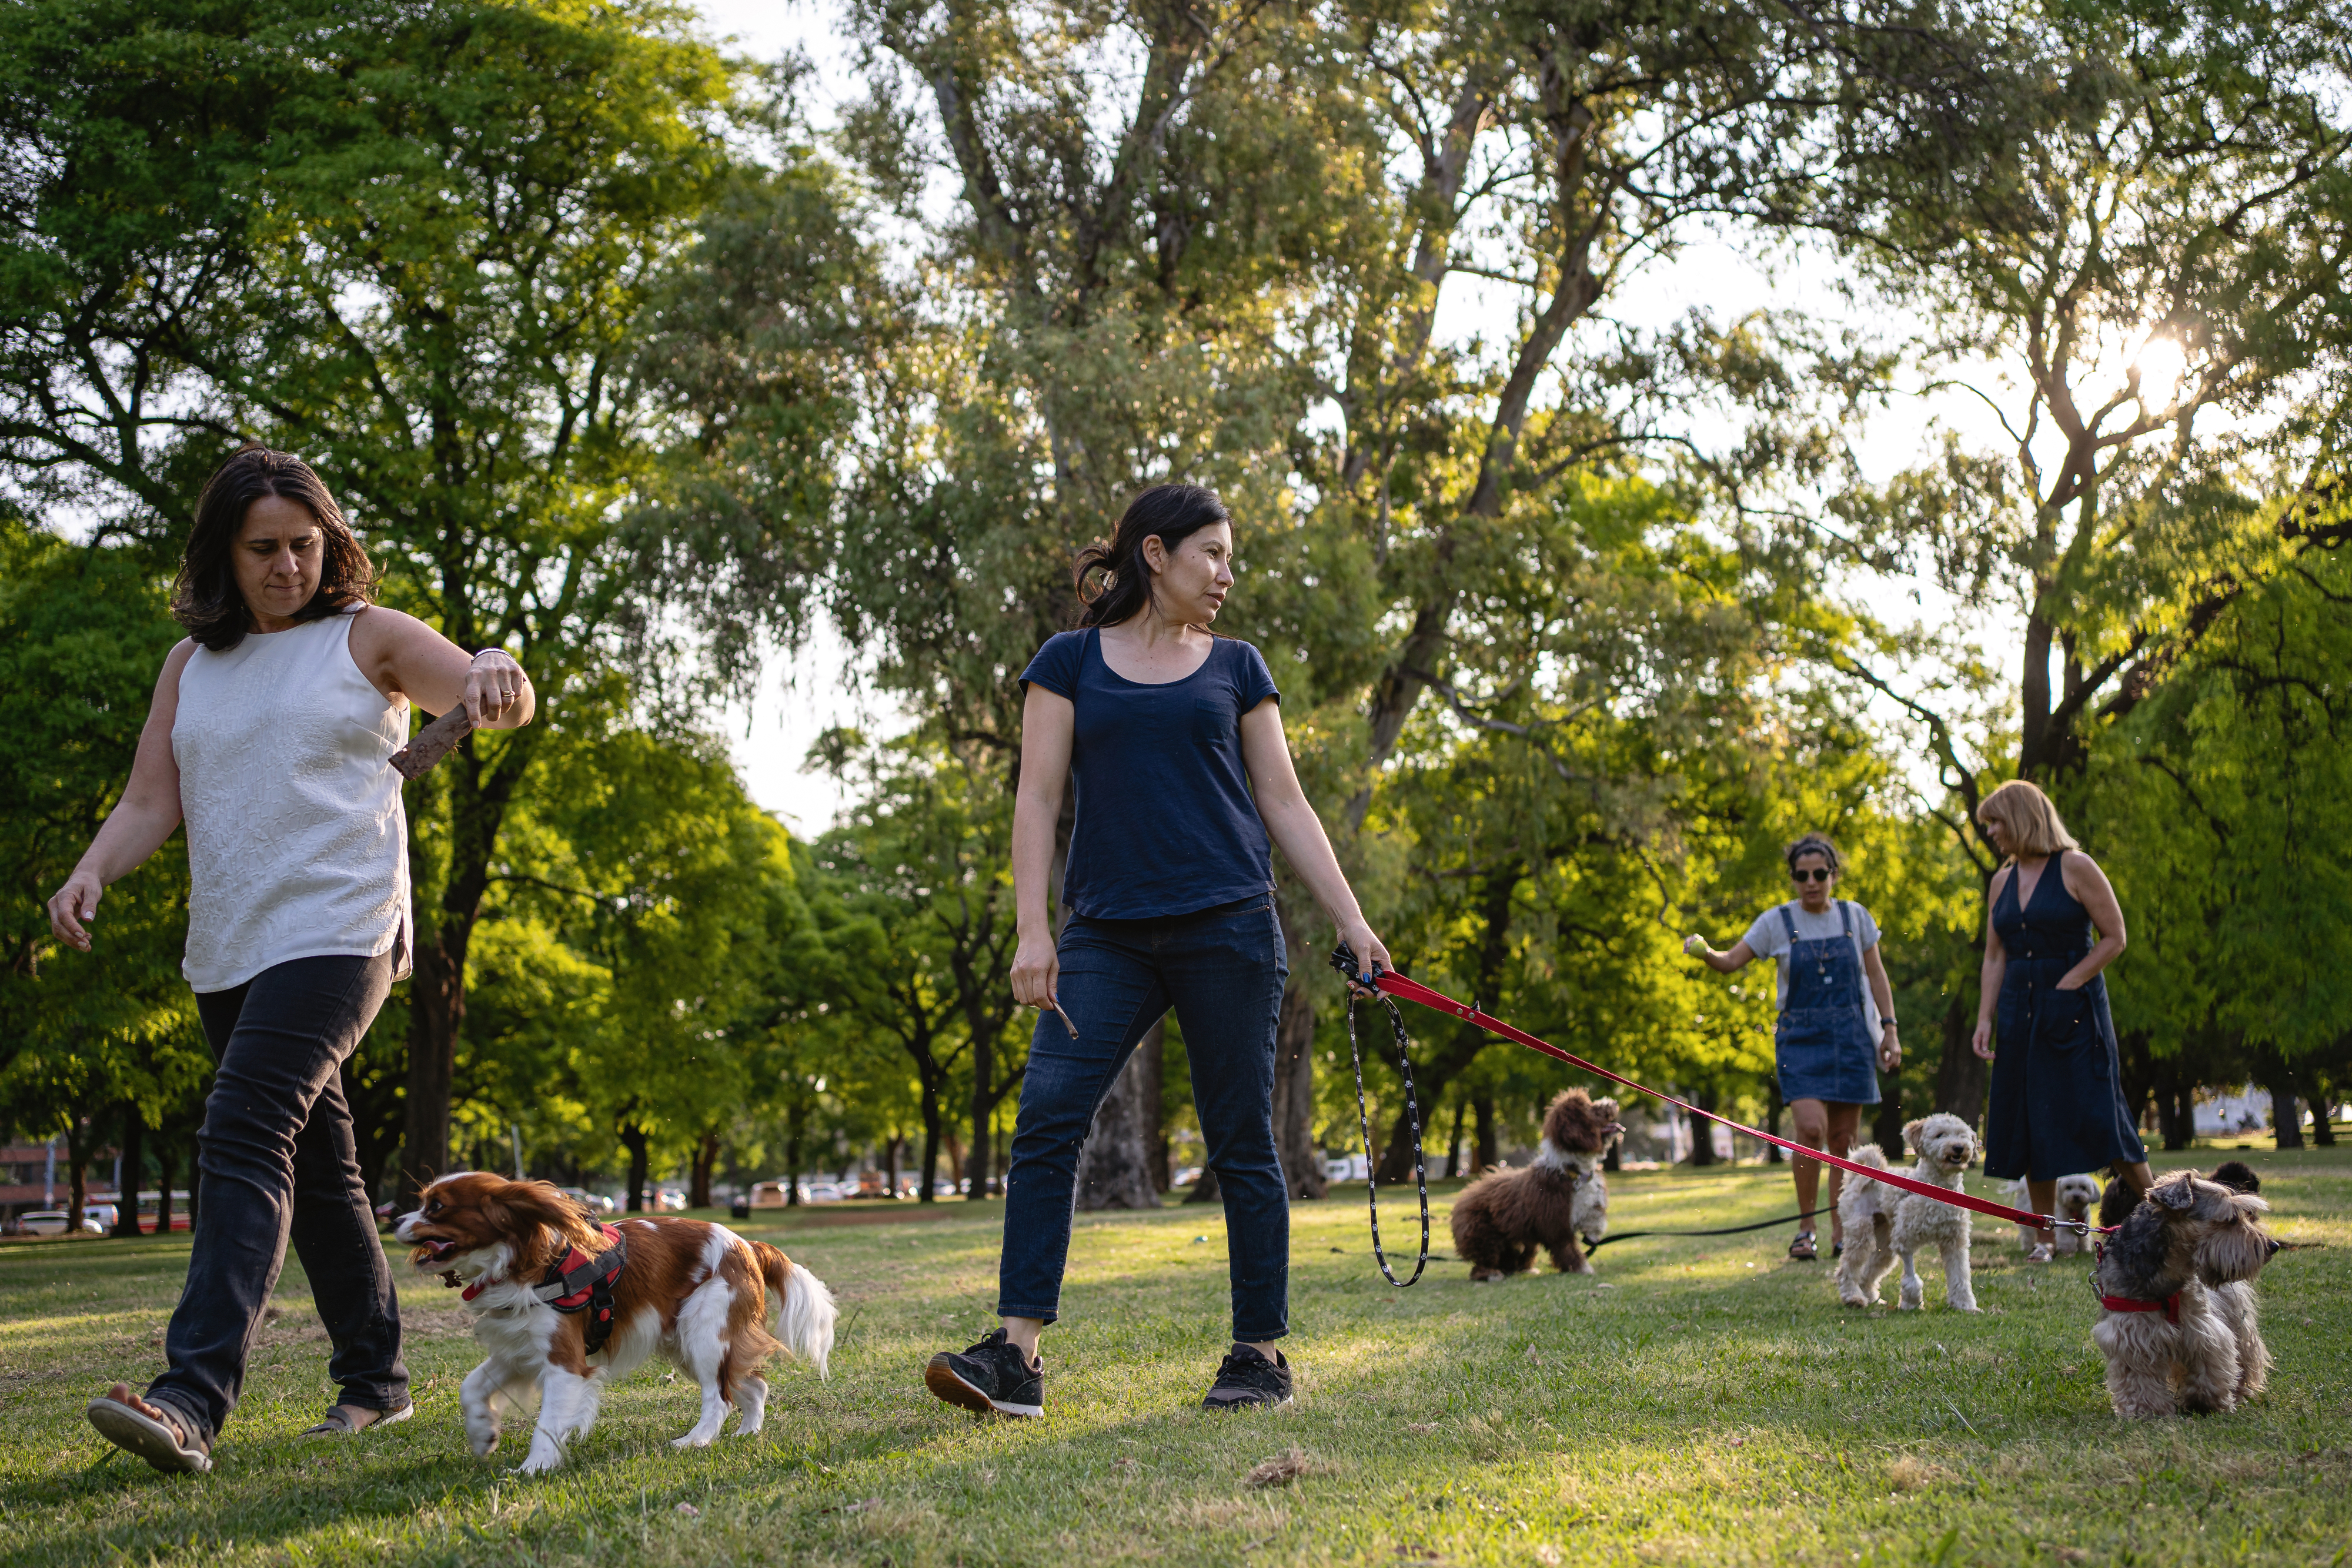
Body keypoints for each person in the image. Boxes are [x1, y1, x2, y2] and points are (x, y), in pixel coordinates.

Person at [46, 446, 535, 1473]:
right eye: (262, 547)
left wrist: (498, 668)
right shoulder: (190, 665)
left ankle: (189, 1399)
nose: (285, 565)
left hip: (340, 926)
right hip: (232, 941)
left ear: (331, 544)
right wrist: (92, 870)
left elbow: (497, 693)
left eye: (303, 545)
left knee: (241, 1124)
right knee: (319, 1170)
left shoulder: (369, 640)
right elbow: (150, 801)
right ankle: (376, 1382)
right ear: (224, 553)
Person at [920, 483, 1391, 1419]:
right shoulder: (1068, 662)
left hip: (1229, 924)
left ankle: (1257, 1354)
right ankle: (1015, 1356)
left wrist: (1352, 920)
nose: (1226, 574)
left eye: (1230, 557)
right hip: (1105, 931)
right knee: (1049, 1115)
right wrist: (1032, 928)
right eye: (1211, 553)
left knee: (1240, 1139)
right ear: (1155, 554)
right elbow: (1037, 800)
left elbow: (1285, 802)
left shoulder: (1239, 667)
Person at [1683, 833, 1901, 1262]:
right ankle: (1806, 1229)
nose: (1812, 882)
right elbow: (1730, 960)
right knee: (1811, 1130)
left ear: (1834, 874)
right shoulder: (1776, 922)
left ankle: (1841, 1229)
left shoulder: (1856, 918)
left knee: (1842, 1138)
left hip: (1851, 1036)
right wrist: (1705, 951)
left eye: (1820, 873)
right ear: (1793, 879)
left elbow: (1877, 977)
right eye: (1802, 875)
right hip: (1800, 1038)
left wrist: (1890, 1030)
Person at [1970, 778, 2151, 1261]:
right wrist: (1986, 1016)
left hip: (2075, 1013)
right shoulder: (2001, 882)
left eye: (1996, 821)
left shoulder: (2076, 866)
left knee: (2102, 1113)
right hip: (2018, 1012)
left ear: (2024, 817)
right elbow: (1994, 956)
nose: (1991, 831)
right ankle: (2045, 1237)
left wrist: (2072, 981)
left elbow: (2115, 936)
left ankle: (2165, 1216)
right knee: (2031, 1119)